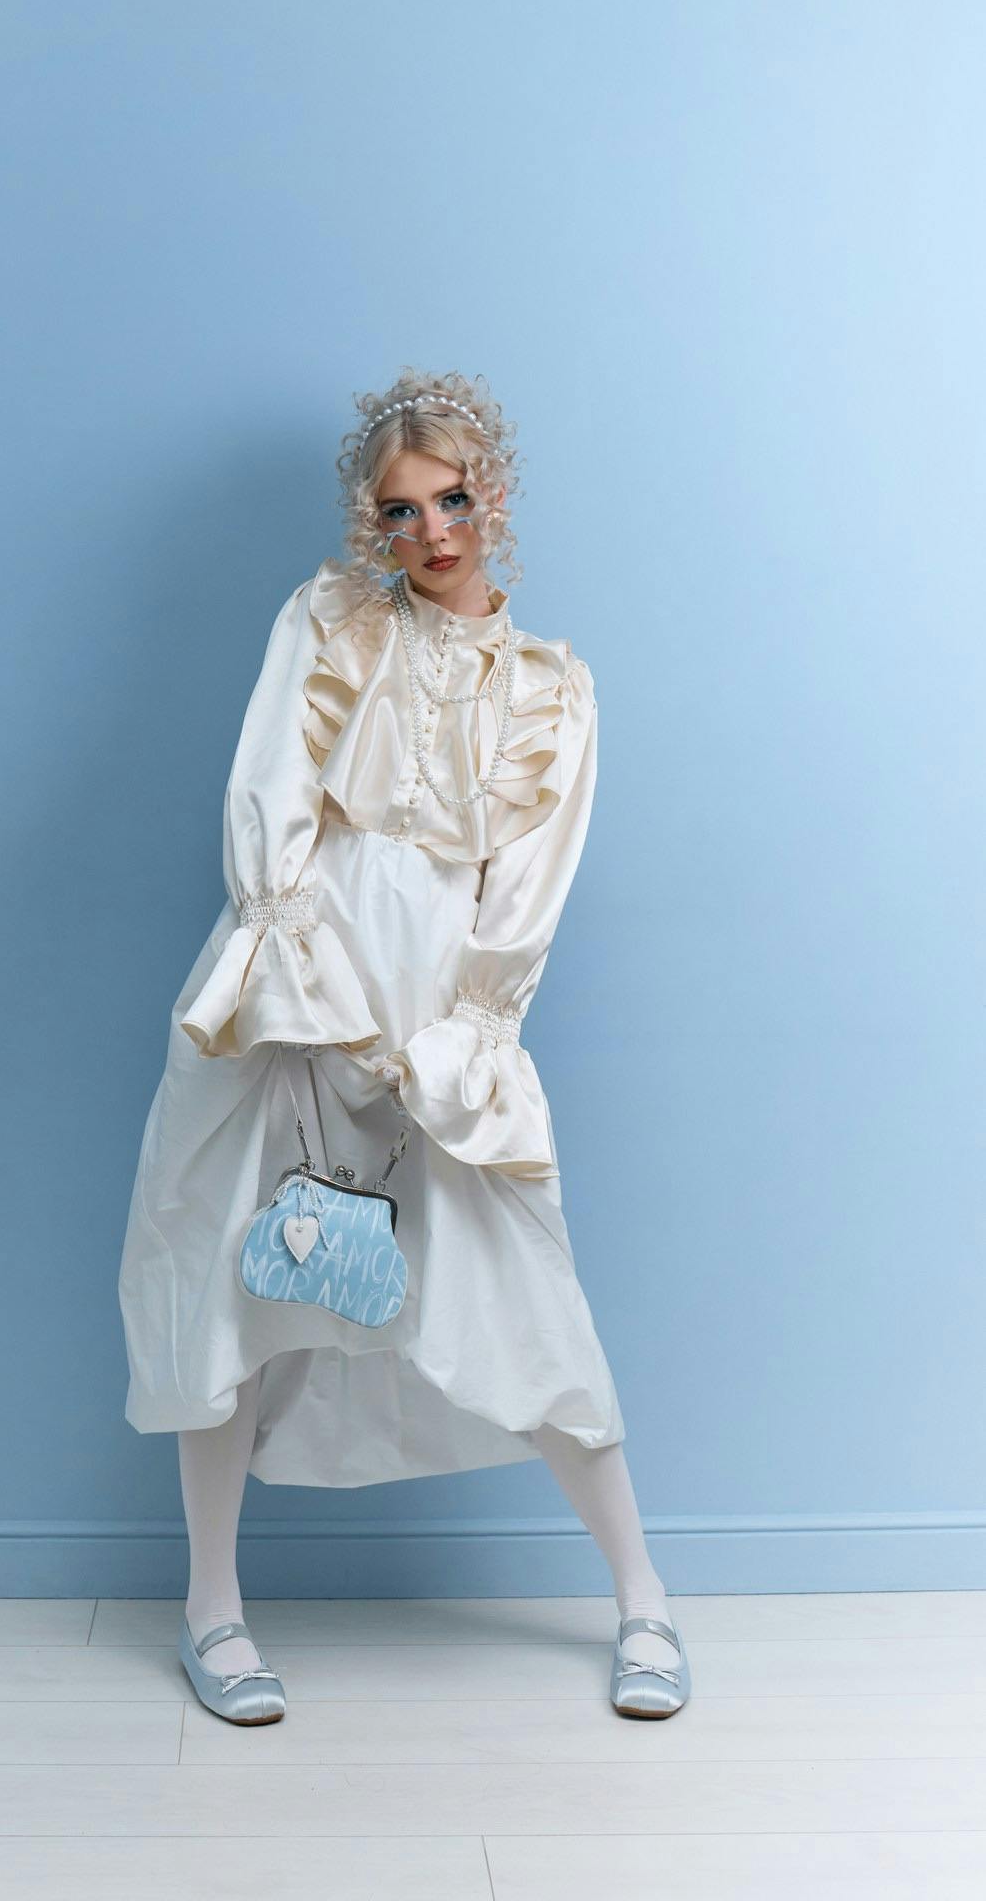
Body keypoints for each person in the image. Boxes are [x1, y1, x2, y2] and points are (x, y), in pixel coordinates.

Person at [117, 368, 690, 1725]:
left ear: (492, 489)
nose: (432, 528)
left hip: (441, 1028)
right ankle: (214, 1610)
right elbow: (272, 803)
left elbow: (526, 889)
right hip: (289, 1004)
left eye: (453, 496)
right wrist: (314, 1012)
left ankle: (646, 1603)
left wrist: (452, 1047)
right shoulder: (326, 620)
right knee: (232, 1298)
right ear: (369, 522)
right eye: (400, 508)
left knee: (527, 1294)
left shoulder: (554, 689)